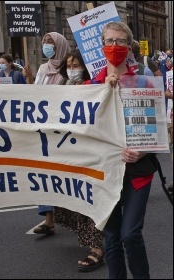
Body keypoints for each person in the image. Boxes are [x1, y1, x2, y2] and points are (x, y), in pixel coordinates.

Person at [85, 21, 159, 279]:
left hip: (137, 171)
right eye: (109, 41)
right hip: (104, 171)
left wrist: (143, 150)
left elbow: (156, 128)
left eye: (120, 41)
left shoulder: (144, 80)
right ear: (102, 45)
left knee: (130, 233)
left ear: (129, 47)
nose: (114, 46)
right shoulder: (89, 86)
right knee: (112, 236)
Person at [53, 49, 104, 272]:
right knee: (77, 198)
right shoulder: (63, 86)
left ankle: (97, 249)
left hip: (91, 154)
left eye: (77, 65)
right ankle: (93, 240)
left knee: (91, 199)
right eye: (70, 66)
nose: (73, 70)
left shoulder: (97, 86)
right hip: (69, 152)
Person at [23, 32, 70, 234]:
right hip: (44, 128)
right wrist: (29, 80)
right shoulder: (43, 68)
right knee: (44, 172)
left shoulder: (71, 67)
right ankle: (48, 219)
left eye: (50, 42)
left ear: (59, 45)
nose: (46, 46)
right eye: (44, 42)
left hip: (64, 129)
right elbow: (35, 95)